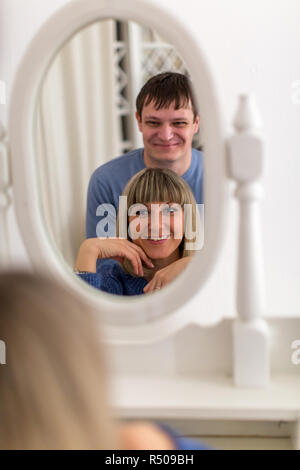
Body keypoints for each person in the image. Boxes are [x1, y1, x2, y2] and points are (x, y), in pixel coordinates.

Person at [0, 271, 211, 450]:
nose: (154, 224)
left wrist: (190, 267)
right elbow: (94, 307)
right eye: (139, 218)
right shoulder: (113, 274)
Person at [86, 72, 203, 242]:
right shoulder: (106, 181)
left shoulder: (221, 178)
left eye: (179, 123)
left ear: (196, 124)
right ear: (139, 121)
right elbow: (103, 263)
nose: (165, 135)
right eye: (154, 123)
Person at [76, 168, 200, 295]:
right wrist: (88, 250)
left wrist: (197, 265)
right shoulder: (112, 277)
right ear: (127, 221)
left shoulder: (206, 271)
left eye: (169, 211)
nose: (156, 226)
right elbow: (81, 314)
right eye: (141, 212)